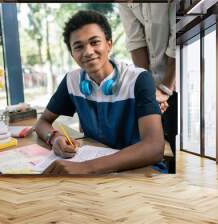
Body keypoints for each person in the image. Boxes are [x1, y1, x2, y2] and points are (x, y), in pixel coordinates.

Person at [34, 10, 164, 175]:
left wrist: (85, 168)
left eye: (94, 42)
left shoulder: (139, 78)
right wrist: (55, 138)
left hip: (138, 169)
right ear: (73, 54)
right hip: (97, 166)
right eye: (79, 47)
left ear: (109, 44)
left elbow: (154, 147)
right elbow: (42, 122)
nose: (88, 52)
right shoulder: (71, 80)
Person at [119, 3, 177, 172]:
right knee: (159, 141)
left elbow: (177, 41)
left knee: (175, 141)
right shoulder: (124, 4)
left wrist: (166, 88)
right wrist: (150, 90)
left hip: (177, 77)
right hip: (155, 85)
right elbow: (136, 43)